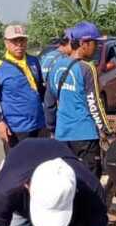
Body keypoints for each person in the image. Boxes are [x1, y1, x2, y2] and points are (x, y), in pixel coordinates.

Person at [44, 21, 111, 176]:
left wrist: (52, 129)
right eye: (94, 43)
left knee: (67, 180)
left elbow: (49, 104)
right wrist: (106, 130)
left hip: (62, 134)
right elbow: (94, 105)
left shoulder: (56, 66)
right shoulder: (87, 68)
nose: (96, 47)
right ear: (83, 43)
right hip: (85, 135)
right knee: (90, 181)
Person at [0, 24, 46, 150]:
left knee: (41, 166)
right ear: (6, 43)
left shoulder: (34, 61)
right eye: (14, 41)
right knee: (19, 167)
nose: (19, 45)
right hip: (16, 130)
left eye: (22, 40)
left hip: (40, 126)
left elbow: (41, 91)